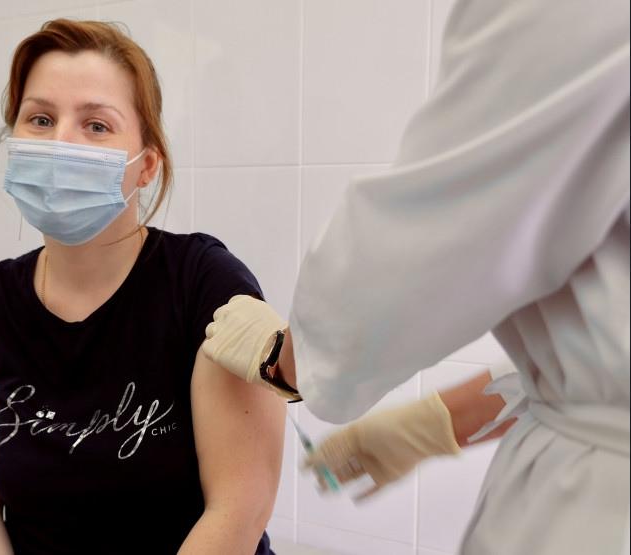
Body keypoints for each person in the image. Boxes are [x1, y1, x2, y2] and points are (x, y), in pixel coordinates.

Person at [202, 0, 630, 553]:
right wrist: (430, 426)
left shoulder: (197, 271)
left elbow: (426, 244)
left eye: (101, 125)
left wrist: (283, 357)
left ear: (151, 161)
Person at [0, 19, 285, 555]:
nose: (60, 143)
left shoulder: (203, 285)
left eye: (96, 126)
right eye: (40, 119)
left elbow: (239, 506)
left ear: (147, 166)